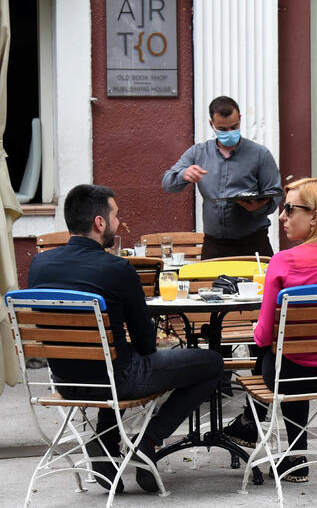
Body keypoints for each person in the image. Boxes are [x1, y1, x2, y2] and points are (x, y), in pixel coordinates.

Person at [28, 184, 224, 493]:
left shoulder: (39, 265)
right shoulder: (118, 268)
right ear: (100, 222)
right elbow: (147, 345)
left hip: (65, 380)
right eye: (116, 216)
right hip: (119, 379)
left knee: (113, 356)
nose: (119, 223)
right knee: (212, 362)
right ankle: (148, 441)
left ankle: (105, 441)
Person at [223, 177, 317, 483]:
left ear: (315, 216)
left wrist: (267, 333)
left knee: (273, 348)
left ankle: (254, 425)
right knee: (293, 351)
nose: (282, 216)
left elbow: (262, 335)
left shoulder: (283, 261)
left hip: (287, 374)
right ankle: (292, 455)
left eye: (289, 209)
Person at [162, 96, 282, 259]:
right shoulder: (198, 153)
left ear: (240, 119)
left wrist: (258, 207)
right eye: (223, 129)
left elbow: (275, 194)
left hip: (254, 242)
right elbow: (167, 182)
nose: (229, 133)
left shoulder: (261, 154)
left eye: (234, 127)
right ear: (212, 124)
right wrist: (184, 174)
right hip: (214, 245)